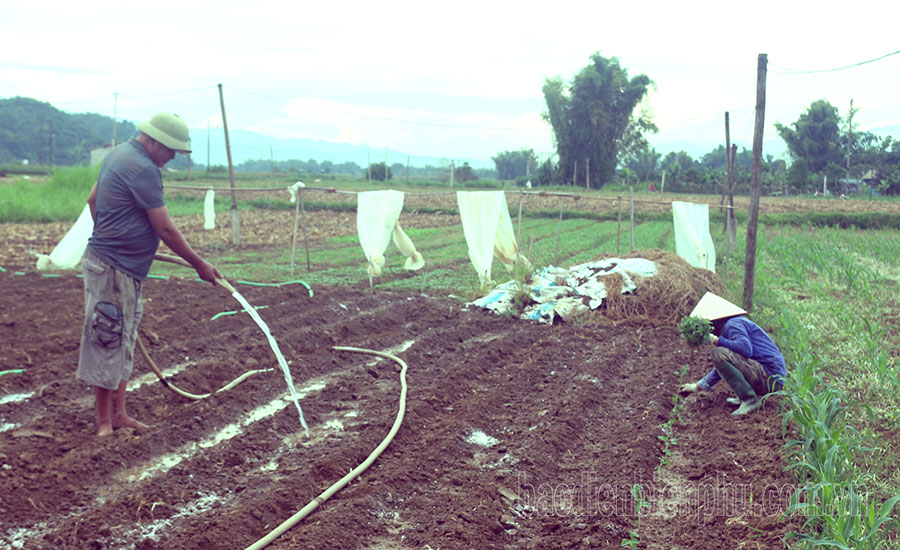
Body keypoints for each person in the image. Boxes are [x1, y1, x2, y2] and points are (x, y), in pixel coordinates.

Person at [77, 112, 222, 436]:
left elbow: (92, 200)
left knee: (125, 338)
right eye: (170, 150)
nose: (171, 158)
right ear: (153, 141)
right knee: (108, 337)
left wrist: (114, 236)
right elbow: (165, 228)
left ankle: (121, 415)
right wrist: (200, 264)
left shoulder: (120, 153)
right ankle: (104, 422)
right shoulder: (142, 167)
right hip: (113, 269)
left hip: (122, 268)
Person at [678, 292, 787, 416]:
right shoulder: (733, 324)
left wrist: (717, 341)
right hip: (771, 379)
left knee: (718, 353)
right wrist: (696, 387)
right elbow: (724, 367)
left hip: (771, 379)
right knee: (721, 355)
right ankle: (745, 397)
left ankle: (749, 399)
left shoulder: (733, 324)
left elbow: (746, 349)